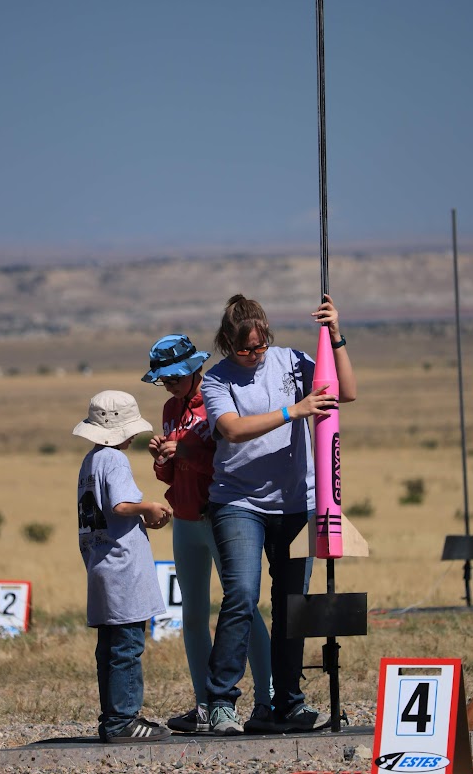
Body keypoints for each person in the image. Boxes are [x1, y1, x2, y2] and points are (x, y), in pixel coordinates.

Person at [201, 294, 357, 735]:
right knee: (242, 595)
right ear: (228, 342)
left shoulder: (291, 362)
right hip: (238, 503)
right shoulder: (217, 381)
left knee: (292, 606)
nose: (253, 355)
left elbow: (345, 392)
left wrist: (336, 336)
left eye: (259, 346)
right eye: (244, 349)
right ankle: (221, 702)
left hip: (296, 503)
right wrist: (295, 409)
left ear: (268, 335)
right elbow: (230, 429)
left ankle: (287, 703)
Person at [141, 334, 273, 733]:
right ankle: (204, 703)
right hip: (184, 520)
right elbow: (171, 470)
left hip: (219, 516)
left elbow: (224, 460)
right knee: (194, 616)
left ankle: (267, 699)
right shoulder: (170, 408)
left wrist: (182, 452)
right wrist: (163, 458)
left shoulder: (214, 400)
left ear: (194, 370)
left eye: (175, 378)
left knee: (243, 608)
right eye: (164, 380)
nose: (169, 385)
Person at [73, 390, 173, 743]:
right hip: (122, 569)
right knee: (128, 646)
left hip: (101, 566)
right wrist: (149, 507)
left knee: (110, 648)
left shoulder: (90, 461)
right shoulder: (114, 461)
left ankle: (113, 717)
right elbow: (120, 505)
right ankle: (123, 722)